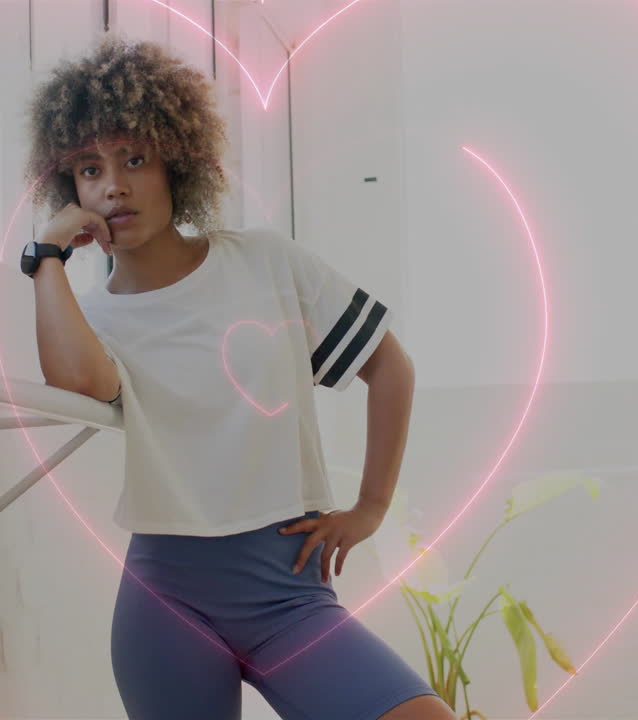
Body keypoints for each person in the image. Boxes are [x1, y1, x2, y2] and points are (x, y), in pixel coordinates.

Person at [23, 34, 454, 720]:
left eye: (135, 159)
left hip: (286, 588)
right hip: (167, 597)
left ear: (178, 163)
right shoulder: (97, 318)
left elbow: (389, 366)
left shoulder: (265, 264)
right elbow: (76, 378)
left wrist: (370, 507)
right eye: (88, 169)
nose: (114, 185)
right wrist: (45, 252)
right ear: (67, 185)